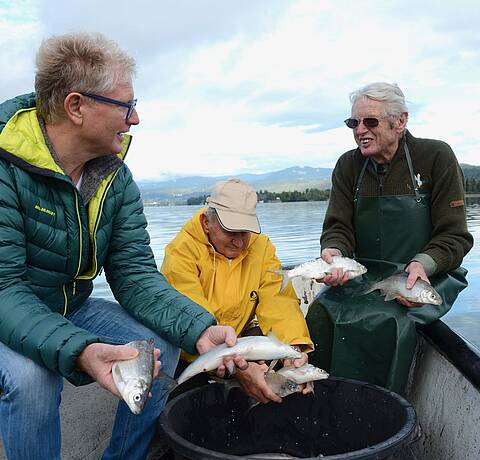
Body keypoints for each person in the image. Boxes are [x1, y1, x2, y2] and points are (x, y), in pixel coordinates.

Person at [0, 32, 247, 460]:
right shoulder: (4, 167)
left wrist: (200, 328)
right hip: (6, 312)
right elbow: (4, 288)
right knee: (32, 380)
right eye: (126, 105)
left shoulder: (115, 178)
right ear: (76, 106)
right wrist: (80, 350)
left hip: (68, 307)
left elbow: (134, 274)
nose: (136, 118)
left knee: (160, 345)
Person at [306, 82, 473, 394]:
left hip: (425, 276)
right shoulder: (348, 165)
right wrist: (333, 252)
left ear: (401, 122)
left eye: (370, 121)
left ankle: (376, 407)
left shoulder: (436, 156)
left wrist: (422, 263)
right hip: (365, 273)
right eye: (353, 123)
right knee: (321, 310)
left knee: (388, 321)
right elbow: (337, 228)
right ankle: (325, 400)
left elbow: (454, 237)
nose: (359, 130)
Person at [161, 178, 314, 403]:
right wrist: (236, 365)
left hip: (239, 341)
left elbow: (278, 300)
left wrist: (293, 349)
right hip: (189, 348)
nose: (239, 243)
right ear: (206, 222)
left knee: (292, 363)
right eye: (230, 231)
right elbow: (190, 310)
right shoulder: (180, 252)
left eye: (246, 232)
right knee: (182, 402)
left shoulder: (262, 248)